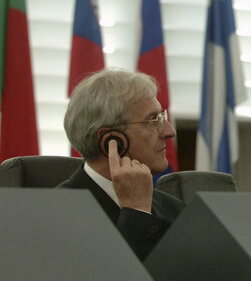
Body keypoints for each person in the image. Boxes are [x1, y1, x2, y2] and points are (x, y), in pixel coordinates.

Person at [57, 68, 184, 260]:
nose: (169, 131)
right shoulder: (58, 215)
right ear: (111, 141)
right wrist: (137, 213)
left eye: (162, 117)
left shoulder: (173, 209)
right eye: (153, 120)